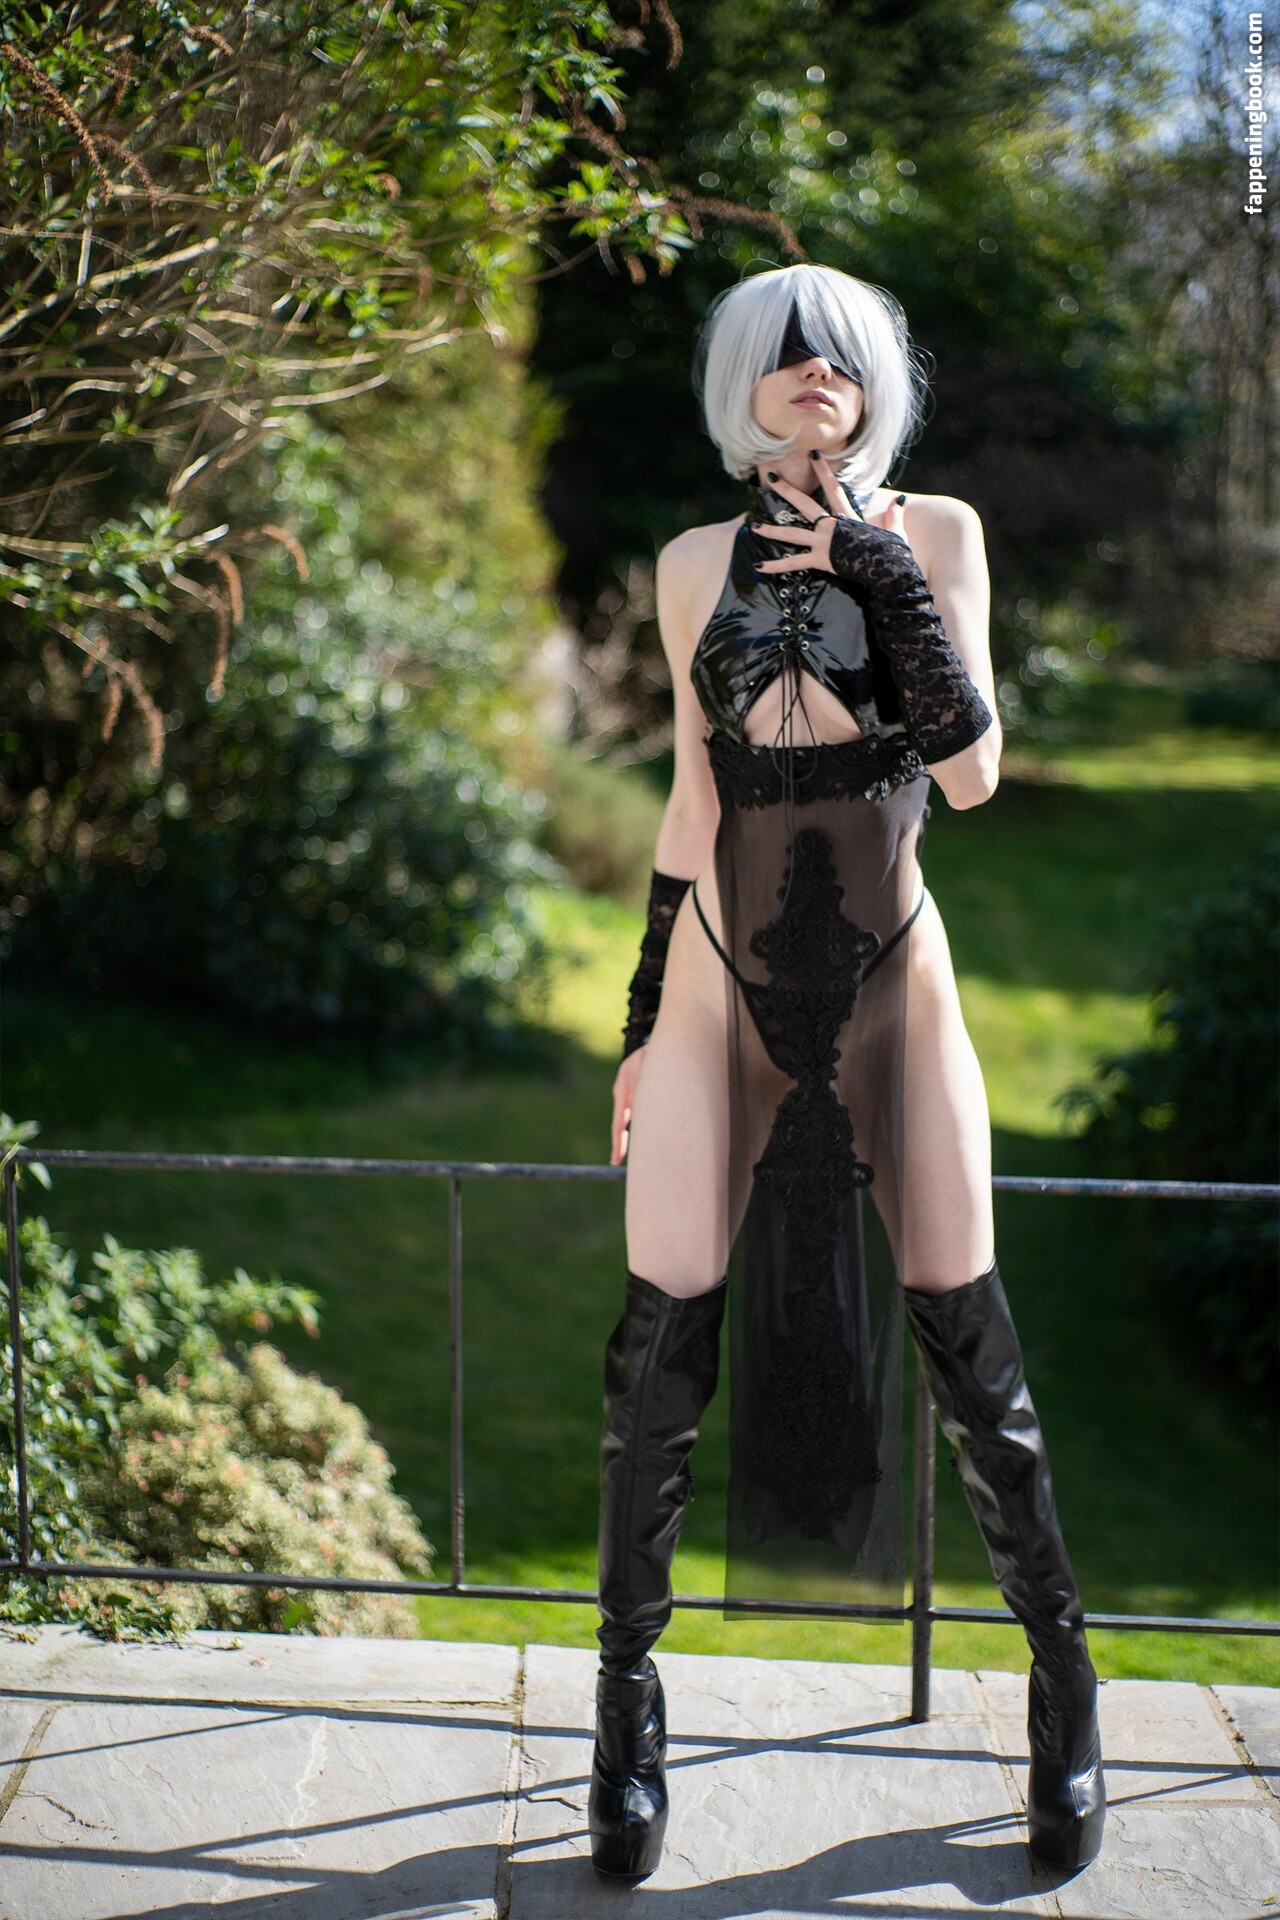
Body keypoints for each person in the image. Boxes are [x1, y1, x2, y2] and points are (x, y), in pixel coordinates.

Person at [589, 262, 1105, 1884]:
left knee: (967, 1330)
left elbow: (976, 772)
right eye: (787, 352)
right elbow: (693, 798)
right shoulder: (692, 564)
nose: (818, 372)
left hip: (895, 984)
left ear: (877, 383)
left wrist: (878, 567)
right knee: (655, 1347)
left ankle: (1066, 1691)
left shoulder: (936, 533)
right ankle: (623, 1717)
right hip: (717, 984)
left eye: (844, 355)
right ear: (740, 384)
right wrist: (638, 1020)